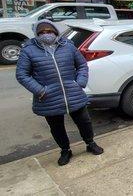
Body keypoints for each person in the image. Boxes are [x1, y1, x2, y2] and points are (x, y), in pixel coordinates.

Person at [15, 20, 104, 166]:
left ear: (55, 31)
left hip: (73, 93)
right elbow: (22, 75)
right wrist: (40, 90)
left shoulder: (68, 46)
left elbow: (81, 65)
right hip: (48, 97)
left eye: (49, 31)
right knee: (56, 127)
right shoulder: (28, 50)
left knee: (84, 122)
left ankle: (90, 143)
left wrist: (80, 82)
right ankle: (65, 150)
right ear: (36, 34)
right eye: (41, 32)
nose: (46, 34)